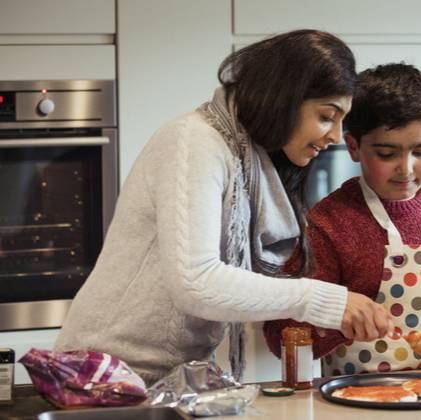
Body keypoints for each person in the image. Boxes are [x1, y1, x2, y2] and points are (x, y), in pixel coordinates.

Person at [54, 30, 394, 384]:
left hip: (171, 378)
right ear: (284, 99)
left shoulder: (254, 160)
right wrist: (327, 301)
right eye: (327, 116)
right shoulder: (194, 141)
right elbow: (196, 282)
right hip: (102, 373)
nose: (335, 137)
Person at [264, 63, 421, 375]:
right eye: (386, 154)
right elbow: (280, 335)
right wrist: (340, 318)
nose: (406, 169)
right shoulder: (328, 225)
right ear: (354, 146)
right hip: (360, 401)